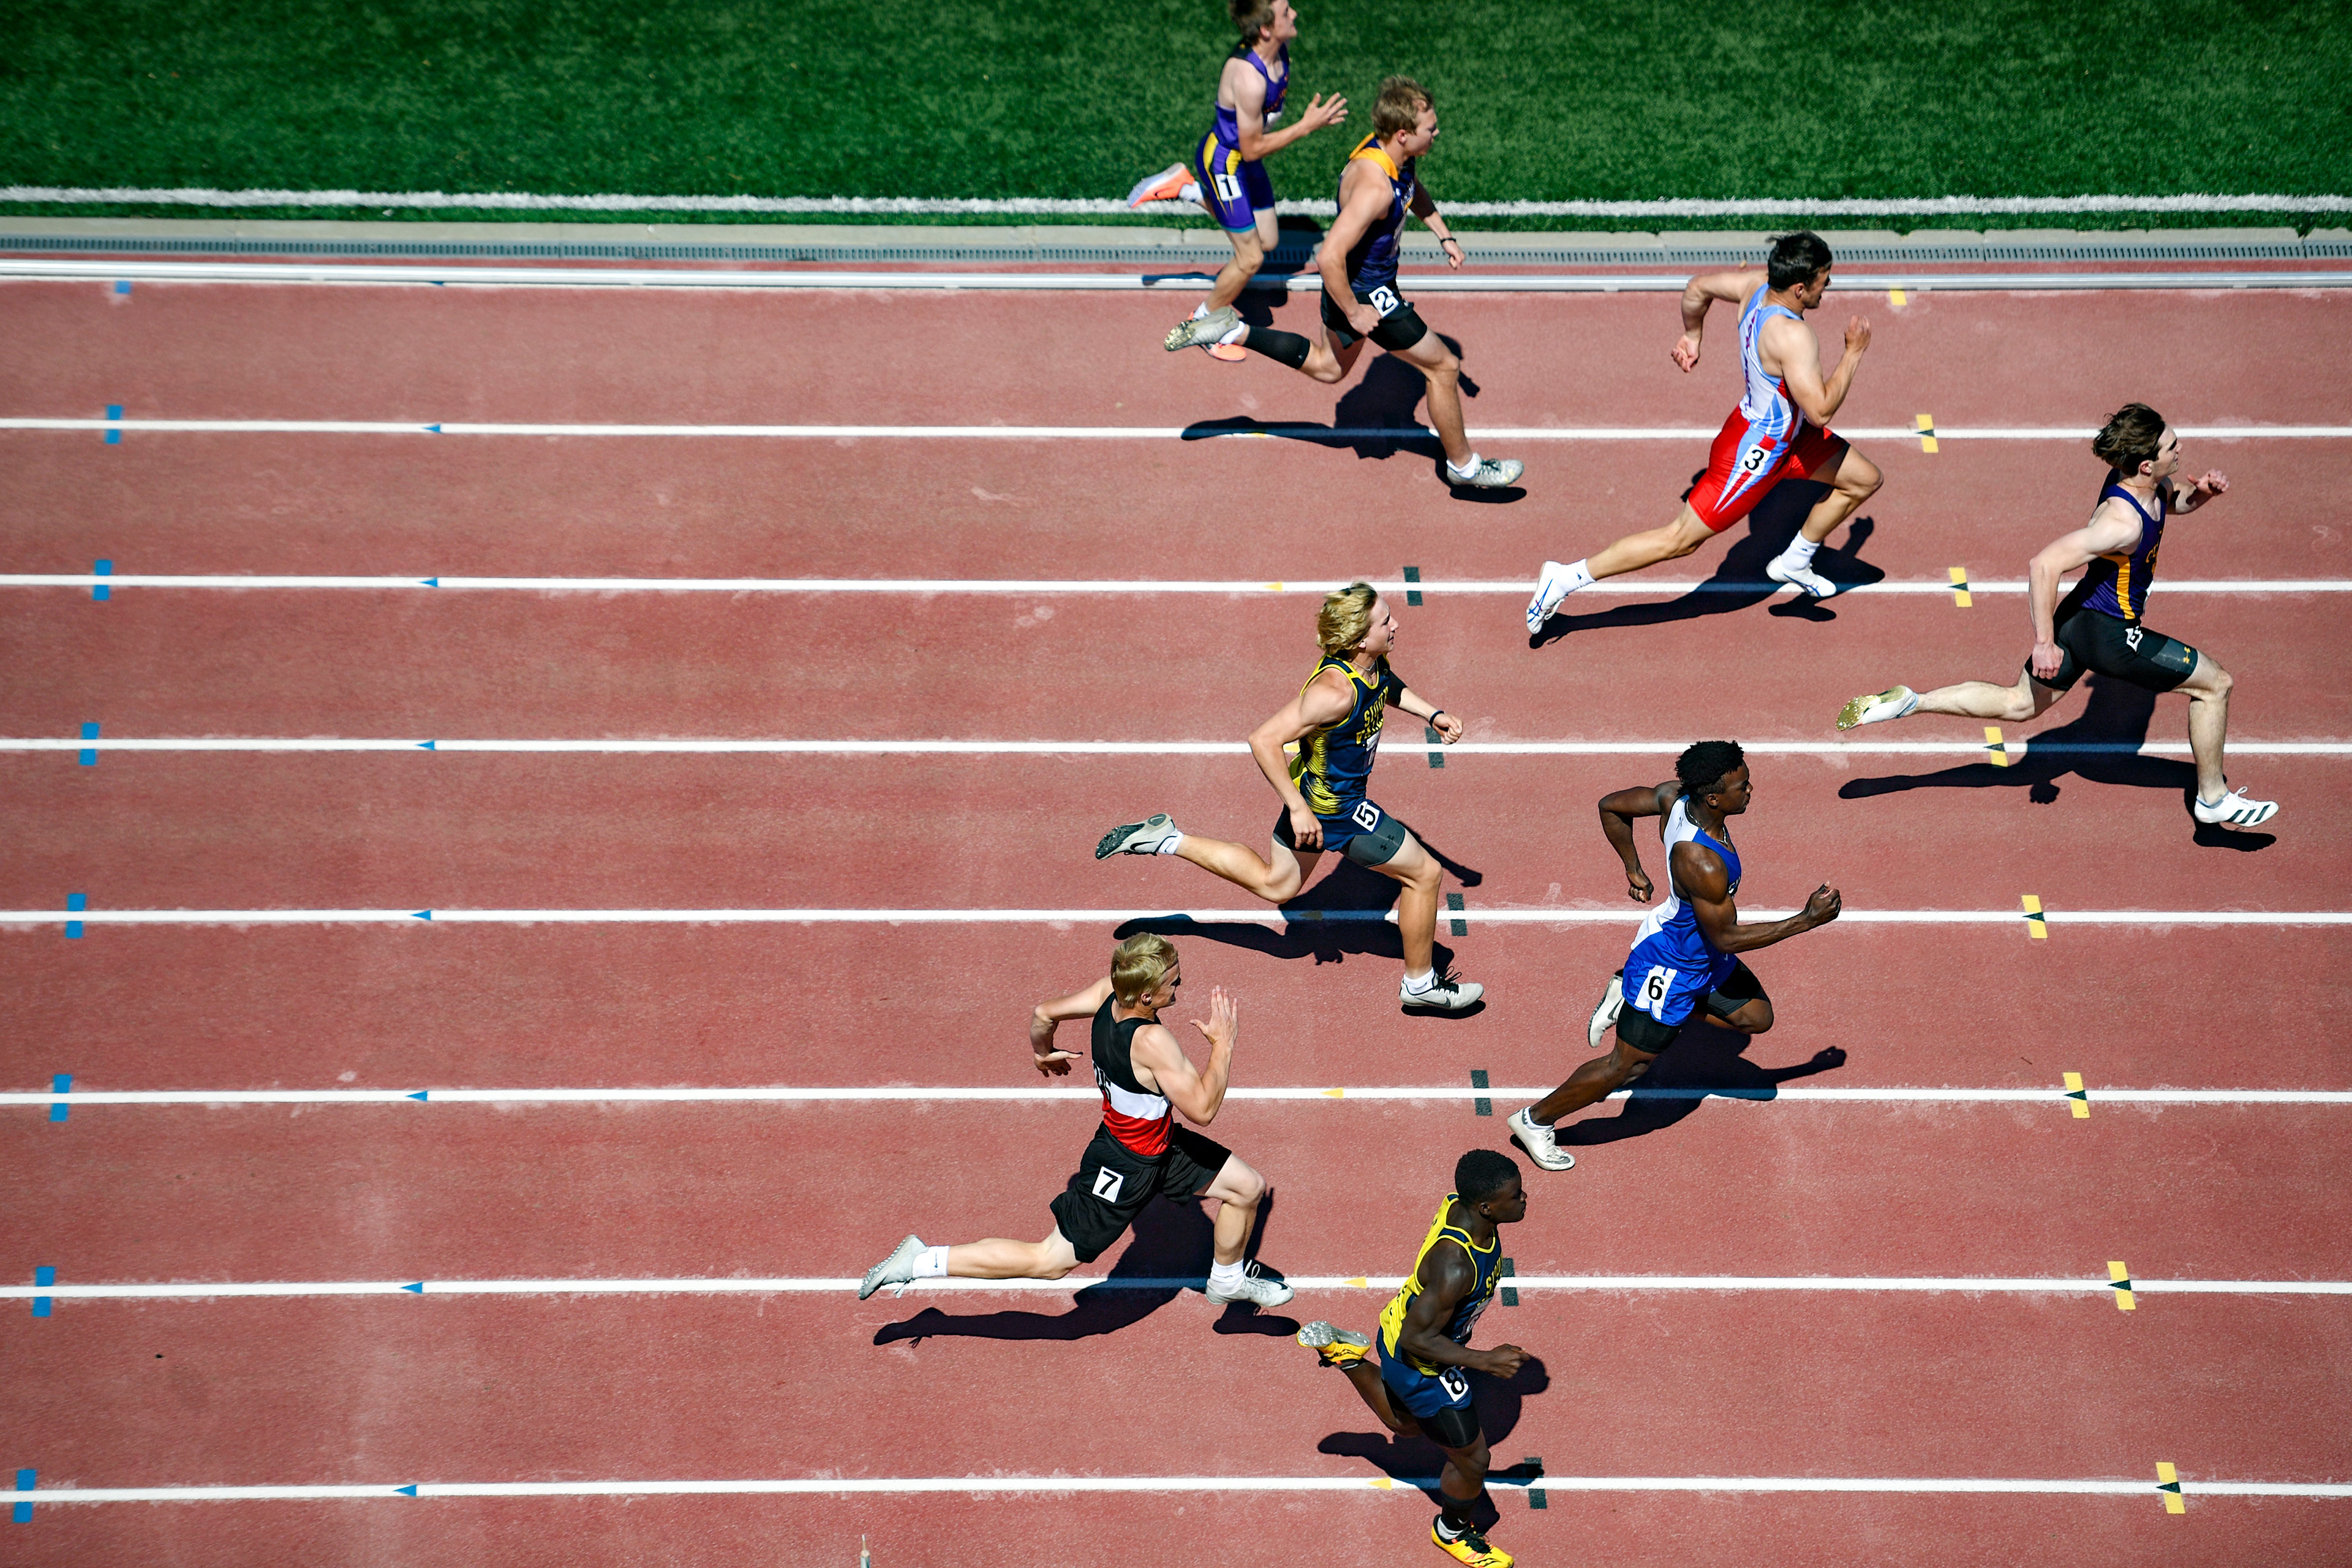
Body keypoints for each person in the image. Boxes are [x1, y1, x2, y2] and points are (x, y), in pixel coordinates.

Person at [1836, 402, 2277, 829]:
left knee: (2019, 703)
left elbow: (2171, 501)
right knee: (2215, 684)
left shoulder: (2144, 482)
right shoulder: (2121, 525)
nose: (2180, 450)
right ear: (2146, 465)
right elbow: (2044, 564)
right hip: (2111, 636)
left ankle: (1913, 701)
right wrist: (2044, 643)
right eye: (2171, 447)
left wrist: (2201, 494)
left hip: (2081, 617)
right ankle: (2212, 800)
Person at [1095, 581, 1481, 1009]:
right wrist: (1299, 809)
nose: (1396, 624)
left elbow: (1385, 684)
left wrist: (1432, 714)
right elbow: (1263, 740)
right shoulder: (1332, 694)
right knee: (1424, 875)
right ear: (1359, 638)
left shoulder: (1369, 664)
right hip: (1337, 809)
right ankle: (1420, 984)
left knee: (1277, 885)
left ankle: (1167, 839)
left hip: (1317, 799)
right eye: (1385, 621)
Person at [859, 933, 1292, 1308]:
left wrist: (1042, 1052)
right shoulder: (1153, 1040)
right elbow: (1204, 1110)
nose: (1179, 988)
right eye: (1172, 982)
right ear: (1145, 996)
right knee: (1050, 1262)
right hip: (1124, 1164)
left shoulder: (1109, 991)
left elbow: (1043, 1014)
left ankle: (1228, 1282)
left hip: (1159, 1146)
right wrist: (1223, 1045)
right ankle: (919, 1260)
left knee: (1247, 1187)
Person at [1164, 76, 1525, 489]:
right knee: (1444, 367)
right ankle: (1465, 468)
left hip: (1358, 286)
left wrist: (1443, 233)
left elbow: (1411, 187)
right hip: (1369, 292)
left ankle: (1233, 329)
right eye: (1432, 129)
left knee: (1328, 368)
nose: (1437, 133)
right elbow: (1328, 256)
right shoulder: (1374, 189)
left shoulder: (1391, 153)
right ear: (1404, 134)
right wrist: (1355, 311)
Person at [1506, 742, 1841, 1171]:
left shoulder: (1674, 797)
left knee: (1755, 1018)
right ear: (1714, 797)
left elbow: (1611, 807)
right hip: (1674, 963)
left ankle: (1628, 992)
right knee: (1625, 1069)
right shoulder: (1700, 861)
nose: (1751, 789)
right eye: (1743, 786)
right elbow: (1727, 939)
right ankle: (1535, 1120)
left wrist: (1633, 868)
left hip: (1701, 953)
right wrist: (1806, 920)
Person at [1525, 231, 1879, 630]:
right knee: (1680, 539)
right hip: (1757, 450)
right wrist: (1853, 353)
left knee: (1864, 479)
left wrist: (1693, 334)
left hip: (1782, 434)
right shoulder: (1794, 335)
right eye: (1824, 279)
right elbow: (1821, 411)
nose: (1827, 286)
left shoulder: (1752, 287)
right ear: (1800, 288)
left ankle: (1796, 560)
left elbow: (1697, 289)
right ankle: (1566, 577)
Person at [1294, 1148, 1529, 1567]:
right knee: (1474, 1459)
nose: (1525, 1199)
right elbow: (1418, 1338)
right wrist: (1485, 1361)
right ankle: (1452, 1532)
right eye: (1516, 1195)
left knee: (1405, 1426)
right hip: (1424, 1363)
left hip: (1399, 1333)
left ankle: (1346, 1355)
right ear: (1487, 1206)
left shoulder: (1466, 1208)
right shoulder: (1456, 1266)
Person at [1128, 0, 1347, 361]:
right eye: (1286, 11)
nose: (1294, 14)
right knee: (1250, 259)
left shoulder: (1278, 48)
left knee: (1269, 241)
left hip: (1243, 159)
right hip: (1226, 164)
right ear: (1265, 30)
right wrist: (1306, 126)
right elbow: (1254, 147)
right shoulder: (1248, 76)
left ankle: (1184, 188)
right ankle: (1203, 323)